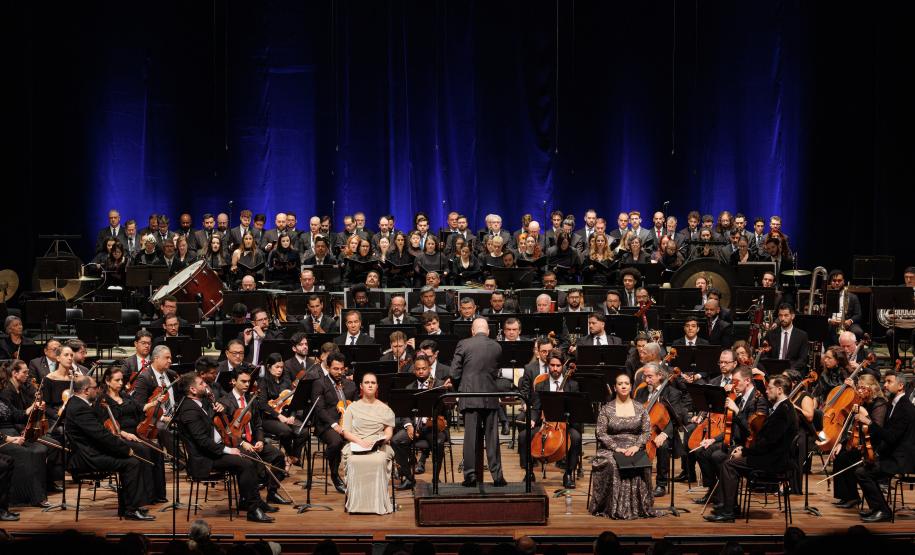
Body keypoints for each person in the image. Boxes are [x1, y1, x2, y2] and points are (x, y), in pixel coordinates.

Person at [175, 373, 275, 523]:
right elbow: (202, 441)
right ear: (192, 390)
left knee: (251, 455)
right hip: (205, 458)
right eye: (201, 383)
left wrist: (217, 409)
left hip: (215, 450)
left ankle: (249, 501)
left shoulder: (200, 403)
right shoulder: (188, 410)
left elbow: (209, 424)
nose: (206, 386)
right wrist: (228, 450)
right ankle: (253, 510)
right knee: (245, 463)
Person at [704, 375, 798, 523]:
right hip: (771, 456)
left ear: (780, 390)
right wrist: (744, 448)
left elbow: (769, 443)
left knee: (729, 464)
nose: (766, 391)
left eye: (769, 388)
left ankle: (728, 512)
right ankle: (729, 506)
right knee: (727, 459)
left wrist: (745, 452)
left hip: (773, 461)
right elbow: (764, 440)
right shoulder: (782, 408)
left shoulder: (783, 412)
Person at [65, 375, 155, 520]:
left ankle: (129, 507)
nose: (98, 391)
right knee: (132, 463)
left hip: (92, 451)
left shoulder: (77, 403)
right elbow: (100, 435)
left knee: (135, 456)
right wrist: (125, 449)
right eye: (95, 388)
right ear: (86, 390)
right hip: (88, 457)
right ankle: (131, 510)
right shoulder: (79, 408)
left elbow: (100, 432)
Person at [693, 365, 765, 504]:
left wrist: (737, 410)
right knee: (702, 452)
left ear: (748, 380)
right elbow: (729, 428)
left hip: (747, 445)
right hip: (733, 441)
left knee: (717, 456)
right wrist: (713, 439)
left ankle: (726, 496)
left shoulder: (757, 400)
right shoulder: (738, 399)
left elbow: (752, 430)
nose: (733, 385)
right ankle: (713, 488)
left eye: (736, 381)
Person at [219, 365, 290, 505]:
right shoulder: (225, 402)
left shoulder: (252, 400)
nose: (247, 384)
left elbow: (257, 425)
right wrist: (241, 443)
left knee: (279, 457)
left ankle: (272, 492)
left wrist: (260, 440)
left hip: (253, 442)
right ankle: (248, 499)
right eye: (243, 381)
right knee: (255, 465)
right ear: (233, 381)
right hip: (237, 444)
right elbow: (225, 432)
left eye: (248, 381)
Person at [589, 371, 657, 519]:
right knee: (613, 464)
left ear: (631, 387)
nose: (623, 386)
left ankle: (639, 507)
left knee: (643, 463)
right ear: (615, 388)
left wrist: (636, 446)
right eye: (620, 384)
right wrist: (616, 447)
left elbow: (646, 432)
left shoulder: (640, 408)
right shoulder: (606, 409)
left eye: (626, 383)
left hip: (634, 447)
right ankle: (612, 507)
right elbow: (600, 433)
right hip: (611, 448)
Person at [851, 370, 915, 522]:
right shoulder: (893, 403)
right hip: (893, 454)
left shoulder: (905, 408)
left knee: (863, 473)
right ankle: (877, 508)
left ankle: (882, 510)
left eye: (889, 382)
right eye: (885, 381)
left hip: (902, 459)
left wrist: (869, 422)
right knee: (862, 470)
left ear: (900, 386)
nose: (884, 385)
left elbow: (891, 437)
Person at [97, 366, 165, 504]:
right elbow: (105, 424)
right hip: (119, 436)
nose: (121, 383)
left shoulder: (124, 395)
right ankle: (146, 496)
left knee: (157, 451)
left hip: (135, 433)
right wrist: (124, 434)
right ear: (108, 381)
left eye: (122, 379)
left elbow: (140, 408)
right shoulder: (102, 400)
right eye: (117, 380)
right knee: (143, 450)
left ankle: (158, 494)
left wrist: (154, 402)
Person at [451, 318, 506, 487]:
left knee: (470, 438)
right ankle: (497, 477)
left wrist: (459, 387)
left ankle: (470, 476)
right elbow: (497, 372)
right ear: (488, 331)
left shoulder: (464, 344)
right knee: (492, 439)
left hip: (470, 395)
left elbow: (454, 372)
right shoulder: (497, 346)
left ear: (472, 331)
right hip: (490, 395)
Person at [517, 349, 582, 488]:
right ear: (548, 365)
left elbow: (576, 411)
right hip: (545, 425)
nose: (555, 369)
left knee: (576, 437)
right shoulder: (541, 385)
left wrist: (566, 400)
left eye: (558, 366)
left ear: (562, 366)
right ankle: (529, 472)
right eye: (552, 365)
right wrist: (533, 420)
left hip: (565, 424)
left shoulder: (572, 385)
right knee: (523, 436)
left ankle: (569, 474)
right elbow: (536, 407)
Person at [339, 371, 395, 514]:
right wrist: (360, 442)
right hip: (357, 443)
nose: (370, 385)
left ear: (377, 387)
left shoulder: (385, 408)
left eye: (373, 383)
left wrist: (380, 440)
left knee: (379, 460)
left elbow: (389, 432)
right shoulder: (352, 408)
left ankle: (377, 504)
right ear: (361, 386)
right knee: (353, 460)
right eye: (367, 382)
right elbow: (346, 431)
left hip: (378, 446)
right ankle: (355, 504)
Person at [830, 373, 887, 509]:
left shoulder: (880, 403)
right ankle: (848, 496)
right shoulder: (861, 402)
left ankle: (853, 497)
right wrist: (841, 442)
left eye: (863, 388)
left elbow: (878, 429)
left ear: (872, 388)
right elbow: (849, 426)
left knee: (848, 457)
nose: (859, 391)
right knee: (840, 455)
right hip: (859, 441)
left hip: (874, 445)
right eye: (859, 388)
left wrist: (865, 415)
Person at [0, 360, 51, 508]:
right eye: (25, 372)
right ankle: (32, 497)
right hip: (5, 435)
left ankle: (37, 494)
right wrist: (9, 438)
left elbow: (16, 414)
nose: (28, 375)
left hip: (13, 431)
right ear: (14, 374)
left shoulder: (21, 389)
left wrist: (35, 408)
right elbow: (17, 415)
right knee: (26, 453)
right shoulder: (5, 392)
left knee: (39, 449)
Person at [633, 363, 688, 497]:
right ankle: (636, 481)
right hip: (645, 429)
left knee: (662, 446)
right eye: (645, 376)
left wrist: (664, 434)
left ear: (660, 376)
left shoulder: (673, 393)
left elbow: (676, 418)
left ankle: (661, 484)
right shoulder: (641, 391)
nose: (647, 380)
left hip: (664, 430)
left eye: (650, 377)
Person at [311, 352, 356, 494]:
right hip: (327, 424)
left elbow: (356, 405)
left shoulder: (350, 384)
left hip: (348, 423)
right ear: (328, 367)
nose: (339, 372)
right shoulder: (319, 383)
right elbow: (319, 410)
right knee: (336, 441)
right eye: (335, 369)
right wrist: (334, 425)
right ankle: (335, 475)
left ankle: (358, 477)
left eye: (342, 369)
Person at [764, 303, 809, 371]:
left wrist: (789, 371)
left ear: (793, 316)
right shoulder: (770, 334)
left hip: (792, 372)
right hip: (773, 371)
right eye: (780, 315)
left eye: (786, 315)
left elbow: (802, 359)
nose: (782, 318)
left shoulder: (802, 335)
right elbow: (765, 356)